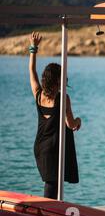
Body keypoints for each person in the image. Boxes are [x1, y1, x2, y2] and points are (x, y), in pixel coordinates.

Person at [28, 32, 82, 199]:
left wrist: (33, 49)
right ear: (57, 80)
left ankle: (50, 213)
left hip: (40, 147)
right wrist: (78, 121)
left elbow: (32, 71)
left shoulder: (38, 95)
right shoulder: (63, 98)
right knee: (52, 187)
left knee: (51, 184)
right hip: (54, 149)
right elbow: (70, 124)